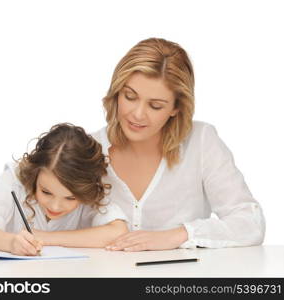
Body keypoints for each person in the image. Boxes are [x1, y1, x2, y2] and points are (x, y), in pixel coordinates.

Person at [90, 37, 265, 251]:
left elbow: (250, 222)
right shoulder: (87, 148)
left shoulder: (202, 142)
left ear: (176, 108)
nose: (137, 114)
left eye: (155, 106)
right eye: (130, 96)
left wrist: (178, 235)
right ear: (116, 93)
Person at [0, 123, 128, 256]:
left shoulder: (87, 188)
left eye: (70, 198)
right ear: (35, 173)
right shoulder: (13, 179)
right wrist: (11, 243)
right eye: (46, 192)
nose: (55, 206)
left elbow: (118, 232)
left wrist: (46, 237)